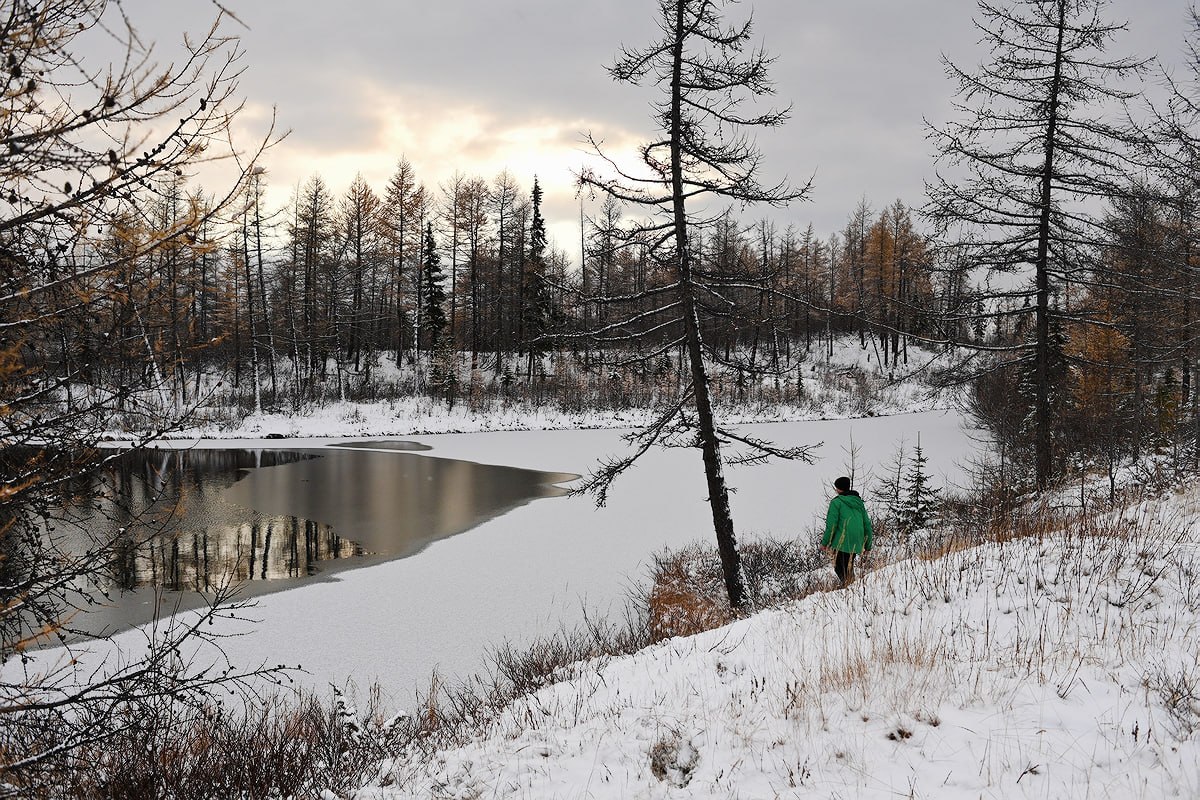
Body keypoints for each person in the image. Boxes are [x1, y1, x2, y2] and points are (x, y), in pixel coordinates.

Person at [822, 476, 873, 586]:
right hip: (857, 540)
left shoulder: (836, 502)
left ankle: (850, 588)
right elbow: (867, 525)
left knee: (839, 567)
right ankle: (851, 587)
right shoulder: (859, 503)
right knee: (848, 566)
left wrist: (825, 542)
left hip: (842, 539)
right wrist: (868, 545)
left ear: (839, 489)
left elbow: (832, 525)